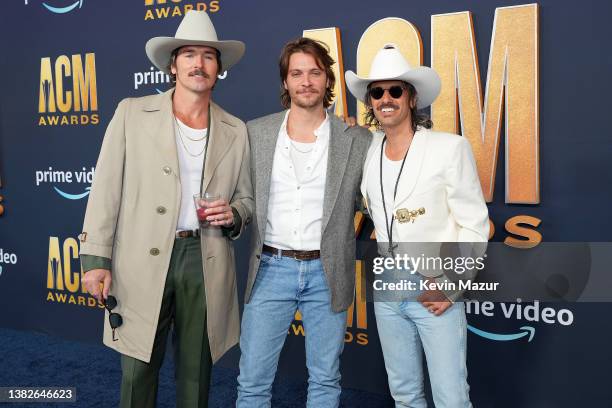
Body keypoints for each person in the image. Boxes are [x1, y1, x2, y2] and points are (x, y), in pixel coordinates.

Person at [79, 11, 253, 408]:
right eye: (189, 54)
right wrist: (94, 258)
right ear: (172, 65)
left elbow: (247, 199)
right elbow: (105, 189)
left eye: (208, 56)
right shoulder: (132, 113)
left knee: (196, 375)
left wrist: (236, 214)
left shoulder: (235, 129)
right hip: (140, 258)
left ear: (218, 68)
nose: (198, 63)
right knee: (138, 370)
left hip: (204, 258)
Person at [346, 43, 489, 407]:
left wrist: (452, 284)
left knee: (451, 397)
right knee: (405, 394)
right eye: (377, 92)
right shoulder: (366, 148)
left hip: (434, 282)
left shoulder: (449, 147)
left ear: (411, 98)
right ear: (371, 102)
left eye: (396, 90)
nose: (386, 98)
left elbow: (475, 224)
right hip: (388, 283)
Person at [236, 37, 371, 408]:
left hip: (327, 272)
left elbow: (376, 201)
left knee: (326, 379)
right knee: (252, 382)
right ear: (285, 82)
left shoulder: (357, 139)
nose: (306, 81)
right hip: (269, 269)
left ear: (328, 80)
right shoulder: (255, 133)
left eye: (315, 72)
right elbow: (243, 198)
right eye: (297, 73)